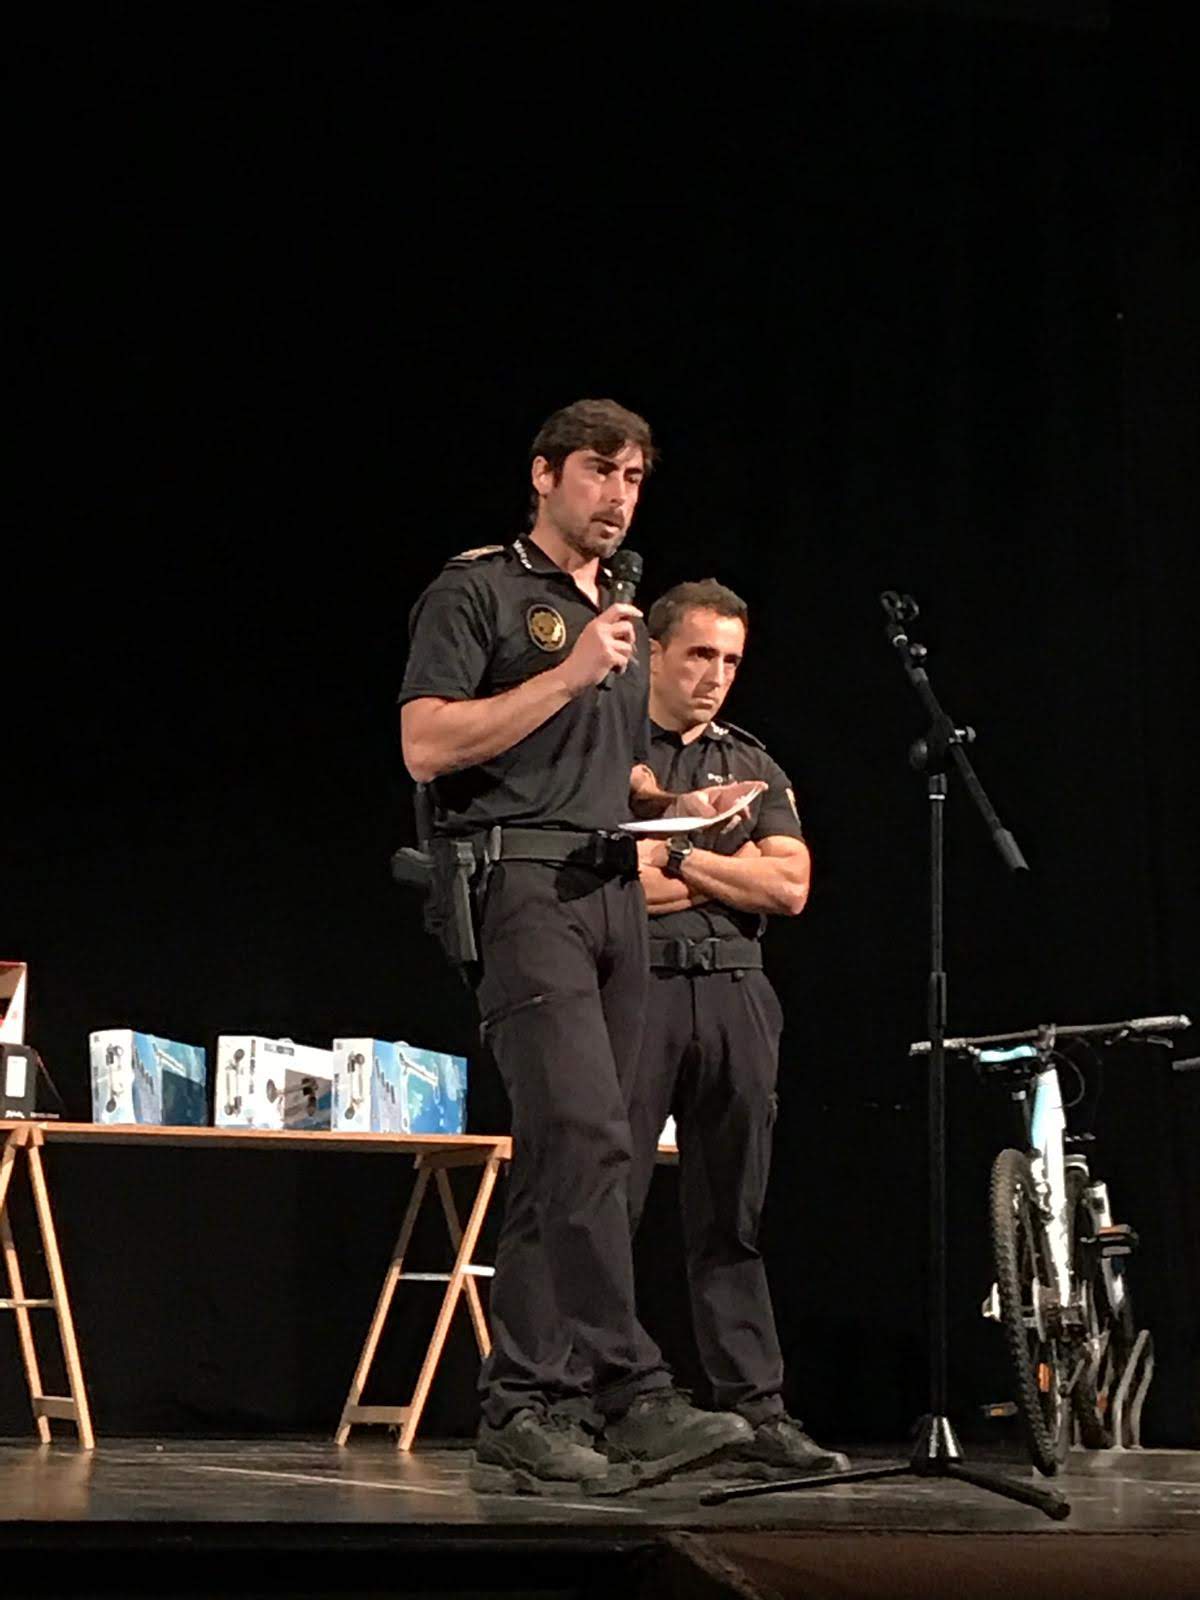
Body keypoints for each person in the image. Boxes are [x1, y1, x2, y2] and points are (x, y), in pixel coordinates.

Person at [398, 401, 754, 1490]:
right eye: (601, 471)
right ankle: (630, 1390)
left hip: (613, 889)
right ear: (546, 474)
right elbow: (425, 744)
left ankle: (524, 1401)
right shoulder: (479, 591)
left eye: (635, 478)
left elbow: (600, 766)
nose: (619, 496)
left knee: (583, 1151)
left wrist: (675, 805)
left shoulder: (616, 608)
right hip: (522, 886)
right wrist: (567, 672)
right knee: (586, 1133)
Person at [628, 579, 849, 1475]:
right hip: (638, 986)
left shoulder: (752, 761)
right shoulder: (603, 749)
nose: (715, 676)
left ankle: (756, 1408)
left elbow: (789, 887)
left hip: (737, 993)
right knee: (607, 1201)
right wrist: (729, 860)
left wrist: (679, 853)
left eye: (730, 660)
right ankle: (598, 1399)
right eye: (698, 655)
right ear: (654, 653)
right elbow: (618, 890)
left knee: (732, 1210)